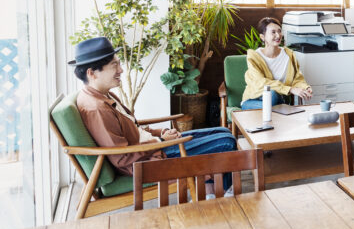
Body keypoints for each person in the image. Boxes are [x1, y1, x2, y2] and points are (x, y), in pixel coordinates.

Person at [71, 37, 237, 196]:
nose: (121, 70)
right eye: (114, 65)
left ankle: (211, 193)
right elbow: (122, 158)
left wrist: (161, 132)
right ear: (92, 73)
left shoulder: (103, 96)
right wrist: (160, 141)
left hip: (151, 148)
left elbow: (134, 129)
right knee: (226, 143)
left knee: (224, 132)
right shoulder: (96, 109)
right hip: (149, 160)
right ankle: (219, 195)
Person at [241, 17, 312, 110]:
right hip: (253, 101)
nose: (278, 35)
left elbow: (297, 78)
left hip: (275, 103)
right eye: (273, 32)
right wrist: (289, 89)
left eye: (279, 31)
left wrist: (305, 88)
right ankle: (280, 109)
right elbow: (261, 83)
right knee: (272, 94)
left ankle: (278, 110)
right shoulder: (254, 57)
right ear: (262, 37)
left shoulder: (289, 55)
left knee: (275, 100)